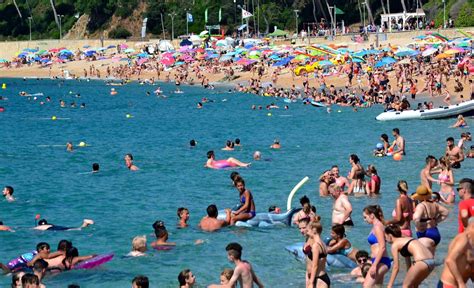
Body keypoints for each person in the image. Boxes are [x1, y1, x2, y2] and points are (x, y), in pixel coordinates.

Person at [412, 185, 449, 255]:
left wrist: (418, 227)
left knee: (425, 258)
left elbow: (416, 218)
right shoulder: (434, 204)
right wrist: (436, 221)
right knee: (432, 257)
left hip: (425, 233)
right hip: (435, 233)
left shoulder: (420, 206)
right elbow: (446, 212)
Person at [438, 216, 474, 287]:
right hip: (449, 284)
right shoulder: (463, 239)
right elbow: (450, 260)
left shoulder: (472, 242)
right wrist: (460, 282)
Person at [362, 205, 390, 287]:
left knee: (366, 286)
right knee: (378, 286)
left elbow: (382, 247)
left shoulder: (378, 226)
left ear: (372, 215)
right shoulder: (377, 226)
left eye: (365, 217)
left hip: (381, 261)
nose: (365, 220)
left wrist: (374, 265)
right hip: (378, 260)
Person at [304, 221, 330, 288]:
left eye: (308, 229)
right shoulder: (323, 244)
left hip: (319, 279)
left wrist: (311, 282)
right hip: (321, 277)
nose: (307, 231)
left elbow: (315, 265)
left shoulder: (316, 246)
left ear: (314, 230)